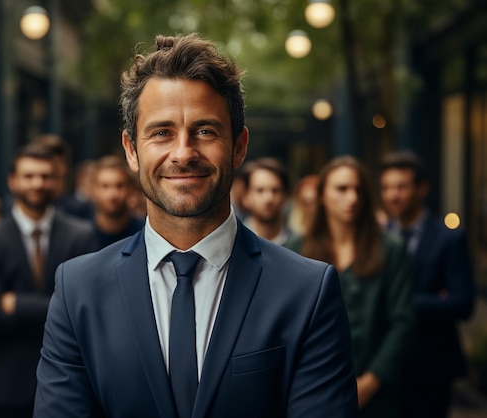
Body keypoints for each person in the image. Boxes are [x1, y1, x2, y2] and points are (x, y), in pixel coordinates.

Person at [34, 33, 357, 418]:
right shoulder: (78, 291)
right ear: (131, 150)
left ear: (239, 147)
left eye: (205, 131)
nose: (183, 153)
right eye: (161, 133)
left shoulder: (308, 291)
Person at [285, 156, 414, 417]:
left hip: (376, 390)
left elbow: (403, 321)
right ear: (322, 196)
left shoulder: (390, 249)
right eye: (342, 189)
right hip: (312, 389)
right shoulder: (295, 250)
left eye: (358, 190)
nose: (352, 198)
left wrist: (372, 380)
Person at [0, 143, 97, 418]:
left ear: (58, 180)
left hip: (69, 381)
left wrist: (16, 304)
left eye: (46, 176)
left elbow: (86, 311)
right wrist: (56, 307)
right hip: (8, 385)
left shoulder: (81, 235)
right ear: (12, 181)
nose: (38, 183)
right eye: (29, 176)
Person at [379, 150, 475, 418]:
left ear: (422, 189)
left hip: (432, 364)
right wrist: (434, 298)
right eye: (386, 187)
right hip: (386, 364)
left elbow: (463, 303)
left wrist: (402, 303)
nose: (392, 195)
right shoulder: (378, 237)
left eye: (401, 187)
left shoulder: (449, 238)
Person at [89, 154, 144, 250]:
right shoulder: (81, 236)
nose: (113, 194)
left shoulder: (144, 233)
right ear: (93, 190)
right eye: (105, 186)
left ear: (130, 189)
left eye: (119, 186)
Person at [241, 157, 291, 245]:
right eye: (260, 190)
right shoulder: (234, 242)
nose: (268, 198)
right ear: (246, 196)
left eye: (275, 190)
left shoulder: (299, 244)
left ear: (285, 196)